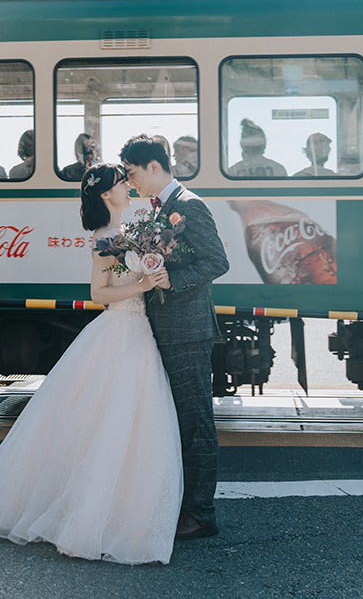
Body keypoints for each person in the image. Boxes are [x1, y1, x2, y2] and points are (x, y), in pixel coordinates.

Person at [0, 162, 181, 564]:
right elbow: (99, 293)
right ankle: (91, 517)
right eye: (122, 183)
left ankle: (107, 510)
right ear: (106, 194)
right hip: (121, 330)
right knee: (115, 420)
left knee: (117, 421)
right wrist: (144, 283)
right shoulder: (106, 238)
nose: (128, 187)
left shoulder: (126, 231)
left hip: (134, 331)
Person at [121, 134, 229, 541]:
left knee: (196, 423)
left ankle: (201, 514)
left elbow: (218, 261)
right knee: (176, 423)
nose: (131, 183)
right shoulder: (161, 208)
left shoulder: (188, 205)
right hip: (168, 329)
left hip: (186, 331)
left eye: (132, 174)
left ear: (153, 166)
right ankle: (184, 505)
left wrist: (172, 280)